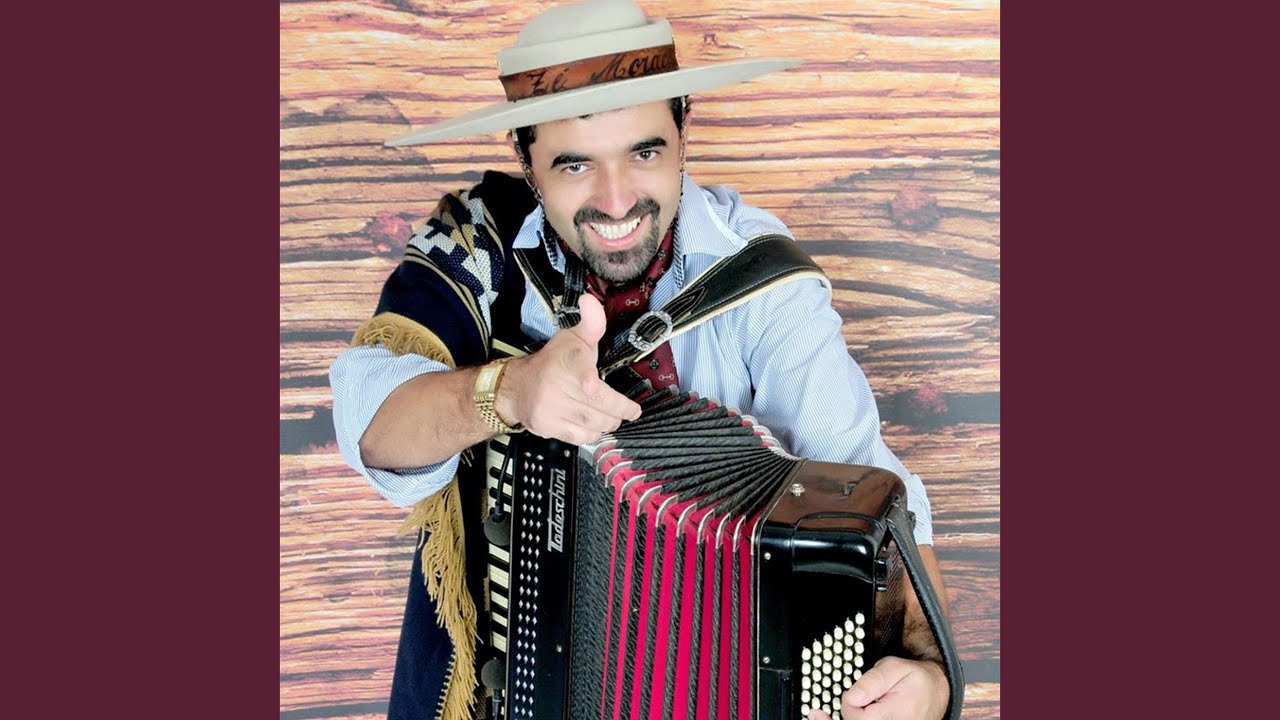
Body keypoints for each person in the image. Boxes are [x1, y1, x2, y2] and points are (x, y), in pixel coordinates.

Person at [329, 2, 955, 719]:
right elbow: (369, 425)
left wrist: (933, 677)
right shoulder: (475, 248)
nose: (617, 198)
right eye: (574, 164)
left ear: (685, 128)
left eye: (645, 152)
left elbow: (870, 493)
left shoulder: (760, 276)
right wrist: (510, 391)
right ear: (526, 158)